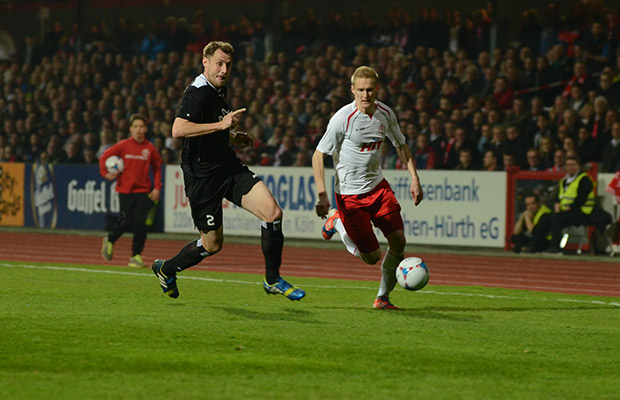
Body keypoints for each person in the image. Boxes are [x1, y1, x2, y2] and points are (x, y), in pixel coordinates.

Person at [151, 41, 304, 300]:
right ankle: (166, 269)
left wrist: (232, 136)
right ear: (205, 62)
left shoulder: (219, 89)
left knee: (273, 213)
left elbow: (211, 126)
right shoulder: (197, 92)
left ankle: (272, 279)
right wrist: (221, 126)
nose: (224, 70)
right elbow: (178, 129)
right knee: (212, 245)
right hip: (202, 178)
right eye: (219, 64)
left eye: (228, 65)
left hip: (227, 166)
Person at [312, 66, 423, 310]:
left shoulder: (385, 113)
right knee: (372, 257)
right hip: (350, 196)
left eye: (370, 90)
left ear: (377, 89)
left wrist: (414, 177)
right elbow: (318, 155)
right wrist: (322, 195)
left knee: (398, 242)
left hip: (378, 188)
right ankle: (337, 222)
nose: (366, 95)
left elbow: (401, 145)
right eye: (361, 90)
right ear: (352, 90)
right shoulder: (342, 118)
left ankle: (383, 298)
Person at [100, 113, 162, 267]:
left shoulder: (149, 148)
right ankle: (110, 239)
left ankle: (136, 255)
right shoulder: (123, 145)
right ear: (130, 129)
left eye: (141, 126)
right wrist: (105, 173)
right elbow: (103, 157)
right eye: (135, 127)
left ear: (145, 129)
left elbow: (157, 168)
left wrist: (157, 187)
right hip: (125, 190)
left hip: (143, 190)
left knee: (140, 223)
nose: (139, 130)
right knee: (126, 221)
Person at [545, 155, 596, 254]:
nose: (570, 167)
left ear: (579, 166)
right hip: (565, 211)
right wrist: (556, 204)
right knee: (545, 217)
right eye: (568, 165)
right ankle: (537, 246)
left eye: (573, 165)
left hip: (582, 212)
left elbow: (581, 199)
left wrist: (569, 208)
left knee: (558, 218)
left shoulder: (584, 179)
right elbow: (558, 196)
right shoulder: (564, 181)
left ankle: (556, 247)